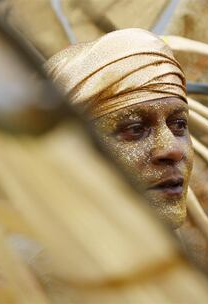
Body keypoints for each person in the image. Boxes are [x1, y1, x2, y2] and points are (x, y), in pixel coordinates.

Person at [45, 28, 193, 229]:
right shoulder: (15, 260)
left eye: (178, 124)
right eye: (135, 129)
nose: (173, 150)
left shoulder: (181, 254)